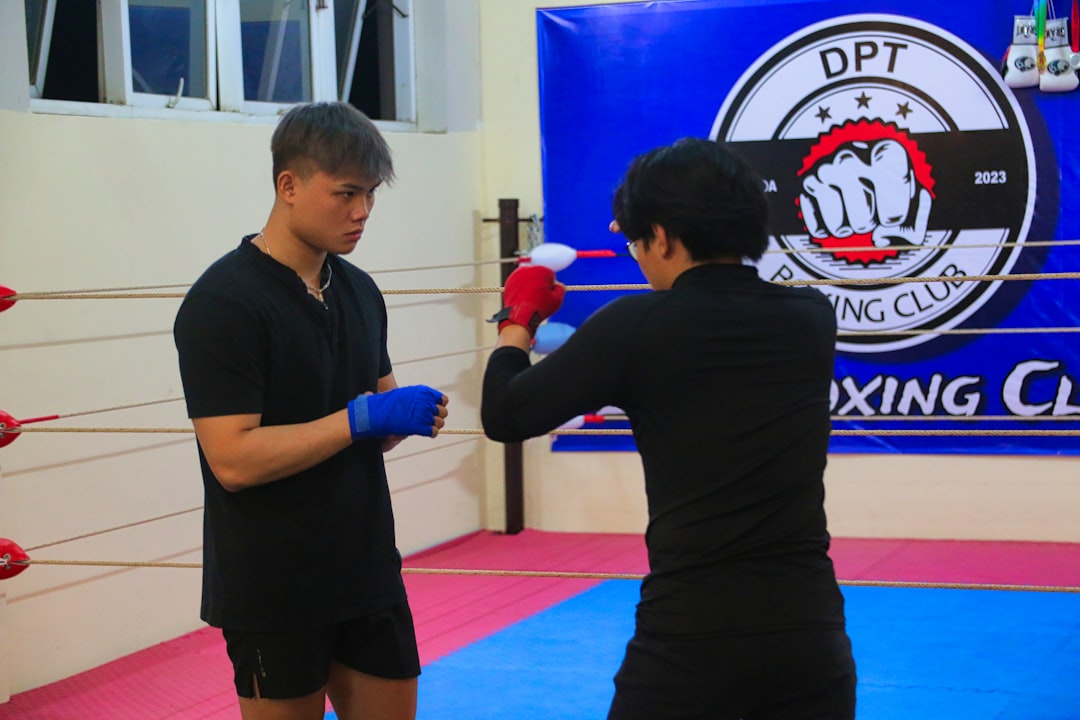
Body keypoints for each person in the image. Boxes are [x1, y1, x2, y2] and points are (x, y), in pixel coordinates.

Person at [481, 137, 856, 719]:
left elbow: (505, 414)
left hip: (692, 634)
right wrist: (647, 218)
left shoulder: (636, 327)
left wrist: (518, 320)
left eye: (637, 239)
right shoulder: (811, 317)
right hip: (810, 633)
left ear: (661, 236)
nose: (635, 253)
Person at [173, 101, 448, 720]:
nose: (362, 212)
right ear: (289, 186)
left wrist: (401, 418)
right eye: (346, 193)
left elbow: (374, 423)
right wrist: (359, 419)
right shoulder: (223, 303)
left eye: (371, 195)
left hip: (367, 568)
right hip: (274, 583)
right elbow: (233, 460)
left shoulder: (358, 289)